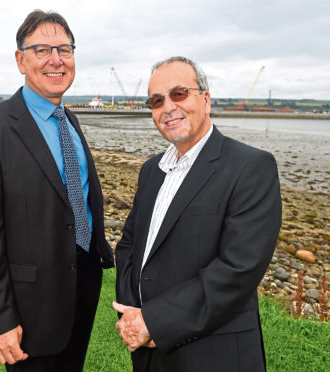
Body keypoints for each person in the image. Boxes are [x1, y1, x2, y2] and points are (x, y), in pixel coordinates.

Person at [0, 10, 113, 372]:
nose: (56, 60)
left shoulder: (69, 119)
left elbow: (77, 198)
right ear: (20, 60)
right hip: (30, 300)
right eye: (42, 50)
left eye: (65, 49)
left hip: (83, 281)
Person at [113, 56, 282, 372]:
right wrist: (131, 313)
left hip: (212, 353)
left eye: (179, 94)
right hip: (149, 354)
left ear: (205, 99)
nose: (168, 107)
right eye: (157, 100)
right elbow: (129, 246)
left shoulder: (251, 167)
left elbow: (237, 269)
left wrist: (153, 321)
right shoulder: (152, 170)